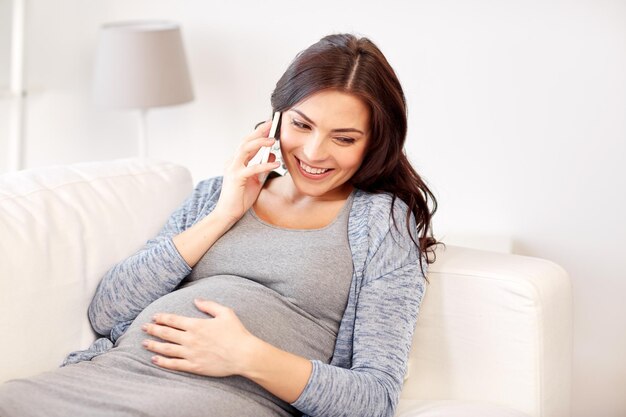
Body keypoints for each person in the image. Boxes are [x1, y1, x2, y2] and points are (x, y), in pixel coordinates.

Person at [0, 33, 439, 417]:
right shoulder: (218, 193)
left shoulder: (384, 224)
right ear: (276, 118)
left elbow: (375, 398)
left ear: (374, 143)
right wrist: (224, 213)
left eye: (344, 138)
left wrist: (246, 355)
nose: (314, 151)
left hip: (215, 403)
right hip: (104, 378)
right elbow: (107, 311)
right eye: (301, 125)